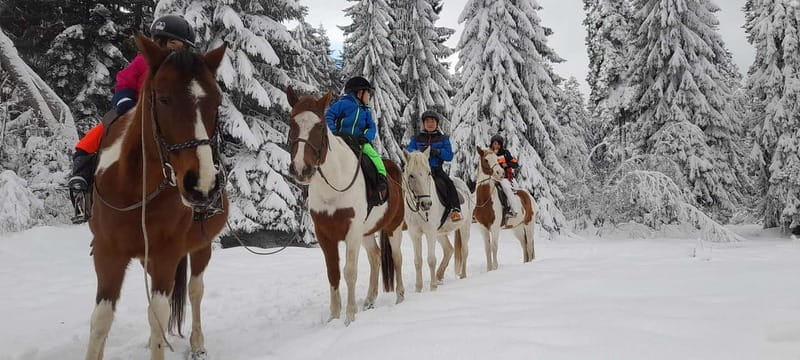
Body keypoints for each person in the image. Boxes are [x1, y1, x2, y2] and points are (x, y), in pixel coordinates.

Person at [67, 14, 197, 223]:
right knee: (89, 142)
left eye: (183, 46)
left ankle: (205, 194)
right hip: (134, 113)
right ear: (161, 40)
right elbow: (124, 82)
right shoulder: (141, 61)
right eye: (175, 43)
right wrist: (124, 101)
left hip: (170, 121)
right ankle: (81, 187)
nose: (179, 49)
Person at [324, 76, 388, 204]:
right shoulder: (343, 104)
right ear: (360, 92)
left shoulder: (366, 111)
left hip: (359, 142)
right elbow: (329, 115)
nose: (369, 97)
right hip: (340, 140)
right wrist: (333, 132)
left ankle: (380, 180)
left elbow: (371, 127)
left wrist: (366, 137)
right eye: (368, 94)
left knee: (375, 157)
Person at [407, 110, 462, 222]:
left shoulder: (443, 138)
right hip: (420, 171)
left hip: (436, 169)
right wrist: (419, 152)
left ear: (437, 124)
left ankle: (455, 210)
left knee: (448, 183)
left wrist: (438, 152)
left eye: (432, 121)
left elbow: (449, 155)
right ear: (424, 124)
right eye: (427, 121)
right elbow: (409, 151)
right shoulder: (416, 138)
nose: (430, 124)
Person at [490, 135, 521, 219]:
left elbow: (515, 164)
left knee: (507, 188)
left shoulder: (505, 153)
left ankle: (513, 210)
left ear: (501, 145)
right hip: (492, 176)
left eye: (498, 144)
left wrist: (507, 164)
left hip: (503, 177)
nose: (496, 146)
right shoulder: (489, 153)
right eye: (494, 144)